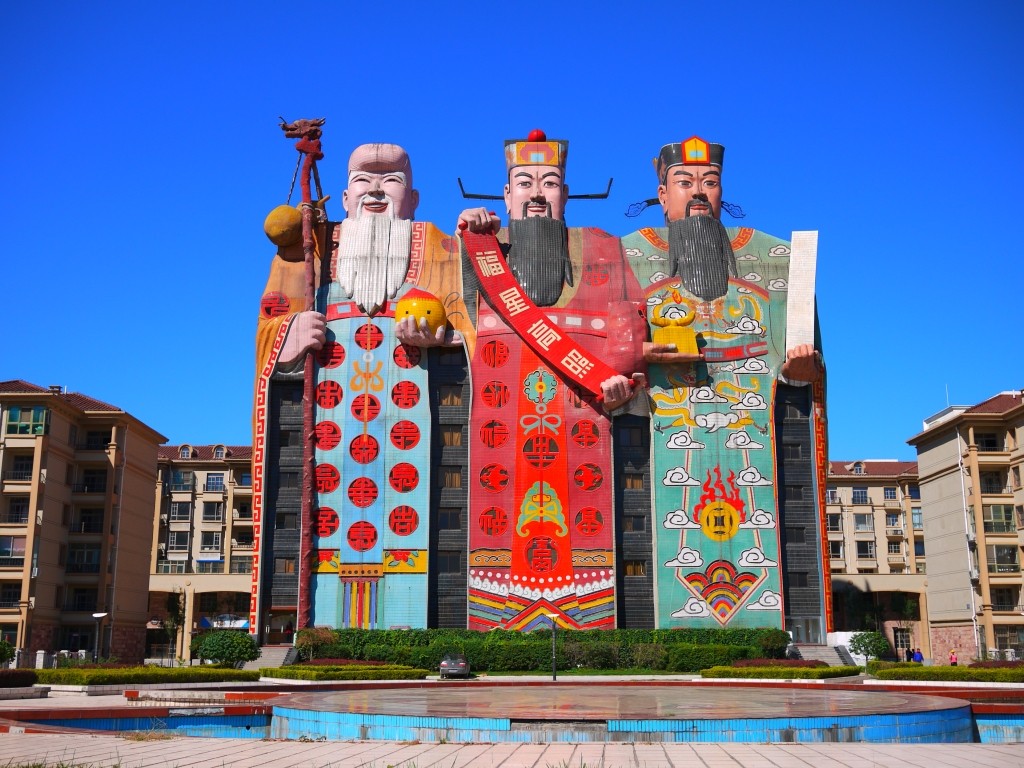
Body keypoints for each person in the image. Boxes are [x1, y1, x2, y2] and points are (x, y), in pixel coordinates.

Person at [402, 129, 647, 630]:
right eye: (525, 182)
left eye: (550, 182)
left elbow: (630, 321)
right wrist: (470, 241)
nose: (537, 194)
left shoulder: (603, 246)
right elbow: (439, 306)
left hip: (583, 416)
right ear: (506, 194)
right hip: (498, 412)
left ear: (566, 193)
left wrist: (621, 378)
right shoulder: (480, 247)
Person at [255, 143, 461, 631]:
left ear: (412, 198)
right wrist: (287, 336)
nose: (376, 191)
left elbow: (468, 317)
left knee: (411, 521)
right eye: (364, 180)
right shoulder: (307, 249)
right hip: (329, 418)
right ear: (345, 197)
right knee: (321, 517)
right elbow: (269, 319)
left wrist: (442, 333)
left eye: (391, 181)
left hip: (411, 417)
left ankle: (405, 620)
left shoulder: (438, 246)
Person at [622, 135, 824, 629]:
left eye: (709, 182)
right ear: (662, 193)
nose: (698, 191)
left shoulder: (778, 255)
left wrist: (803, 371)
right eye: (684, 181)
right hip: (662, 422)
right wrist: (633, 352)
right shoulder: (621, 256)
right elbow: (590, 341)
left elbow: (807, 359)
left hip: (752, 420)